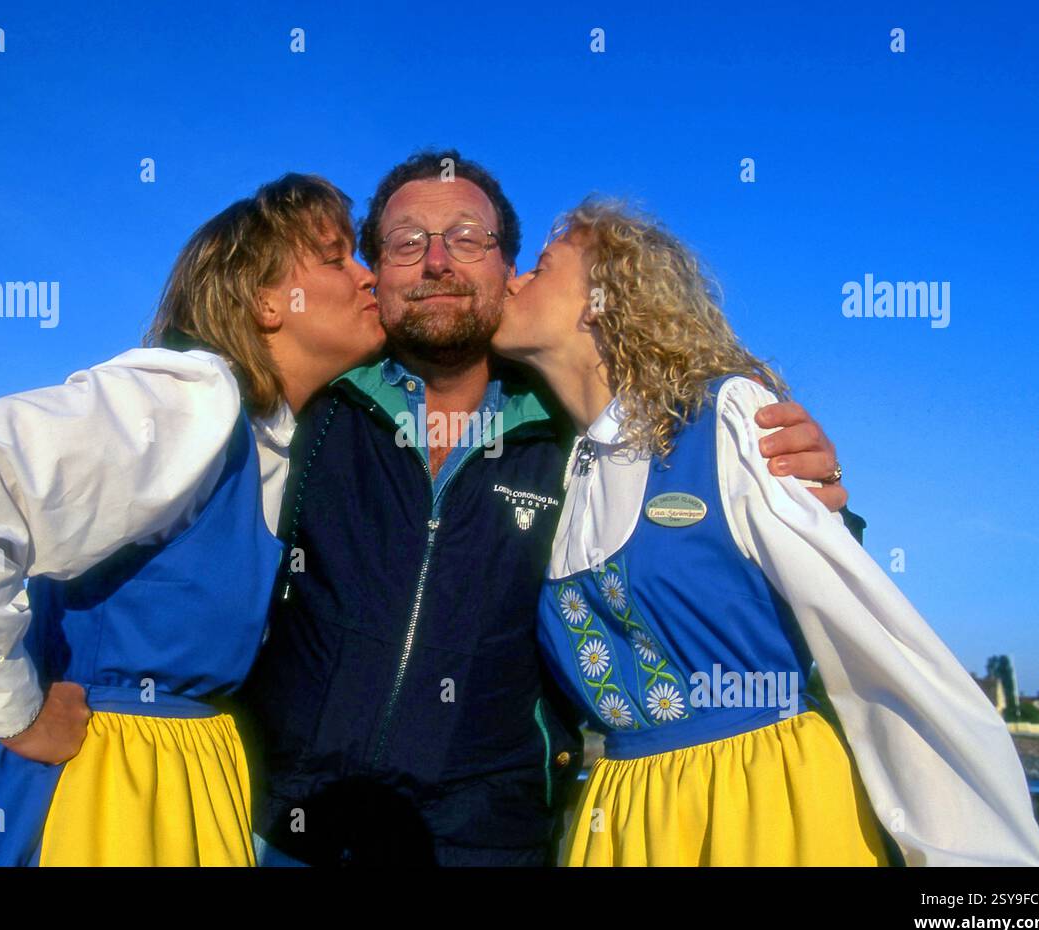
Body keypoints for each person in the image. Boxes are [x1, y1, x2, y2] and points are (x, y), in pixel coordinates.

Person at [241, 150, 853, 866]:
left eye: (467, 238)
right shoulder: (309, 411)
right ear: (375, 273)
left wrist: (815, 486)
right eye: (407, 243)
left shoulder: (582, 440)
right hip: (285, 834)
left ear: (508, 268)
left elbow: (726, 556)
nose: (437, 261)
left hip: (488, 845)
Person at [490, 198, 1039, 866]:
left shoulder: (727, 418)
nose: (515, 280)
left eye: (542, 267)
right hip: (627, 816)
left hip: (767, 805)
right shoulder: (560, 468)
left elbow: (870, 642)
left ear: (603, 297)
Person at [0, 173, 385, 865]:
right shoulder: (189, 399)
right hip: (92, 780)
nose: (367, 276)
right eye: (336, 258)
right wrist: (14, 709)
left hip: (180, 779)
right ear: (264, 299)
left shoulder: (273, 437)